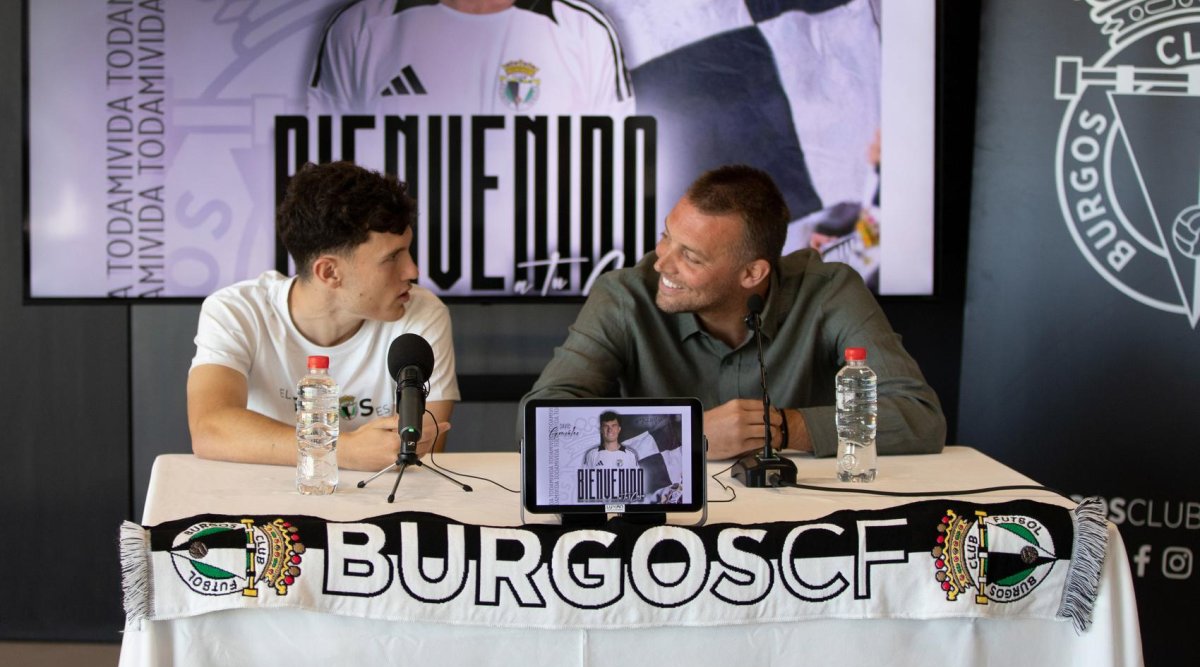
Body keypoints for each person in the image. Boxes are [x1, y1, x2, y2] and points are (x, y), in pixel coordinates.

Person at [520, 164, 944, 460]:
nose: (661, 263)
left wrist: (781, 427)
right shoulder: (624, 295)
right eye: (667, 236)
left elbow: (918, 417)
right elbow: (538, 423)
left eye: (691, 256)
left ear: (752, 273)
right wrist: (685, 435)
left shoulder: (829, 290)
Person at [188, 161, 459, 470]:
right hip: (263, 502)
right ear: (329, 272)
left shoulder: (423, 314)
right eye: (393, 257)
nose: (412, 271)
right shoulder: (236, 311)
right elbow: (210, 429)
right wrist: (339, 450)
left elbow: (419, 449)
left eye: (407, 251)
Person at [308, 0, 634, 116]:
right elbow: (326, 166)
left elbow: (616, 168)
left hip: (545, 262)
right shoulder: (360, 28)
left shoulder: (584, 32)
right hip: (399, 256)